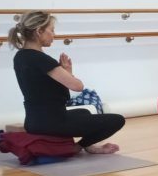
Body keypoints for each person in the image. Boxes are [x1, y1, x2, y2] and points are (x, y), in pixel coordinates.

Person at [8, 11, 124, 154]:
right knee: (117, 120)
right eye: (52, 30)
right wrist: (68, 73)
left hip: (33, 121)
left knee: (84, 111)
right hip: (52, 123)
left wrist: (65, 72)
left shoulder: (20, 57)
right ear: (39, 31)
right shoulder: (41, 59)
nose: (54, 35)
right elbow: (78, 86)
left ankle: (86, 145)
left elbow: (46, 90)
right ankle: (79, 146)